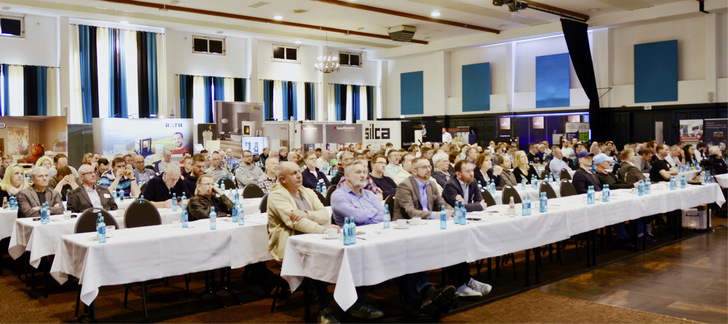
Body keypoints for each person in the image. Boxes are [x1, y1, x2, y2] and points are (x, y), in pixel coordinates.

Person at [393, 157, 491, 314]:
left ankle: (464, 281)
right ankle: (428, 297)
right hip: (408, 229)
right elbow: (410, 212)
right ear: (414, 171)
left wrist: (448, 209)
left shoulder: (431, 184)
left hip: (430, 227)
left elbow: (442, 203)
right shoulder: (405, 186)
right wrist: (435, 215)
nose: (428, 169)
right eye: (424, 167)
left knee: (455, 240)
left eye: (429, 166)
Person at [266, 161, 342, 323]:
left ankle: (353, 302)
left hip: (315, 238)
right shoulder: (276, 196)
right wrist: (323, 230)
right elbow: (294, 222)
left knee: (345, 253)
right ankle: (324, 311)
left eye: (298, 171)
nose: (299, 175)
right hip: (291, 245)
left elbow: (324, 215)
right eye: (293, 173)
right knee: (316, 261)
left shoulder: (307, 192)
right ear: (282, 179)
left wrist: (306, 213)